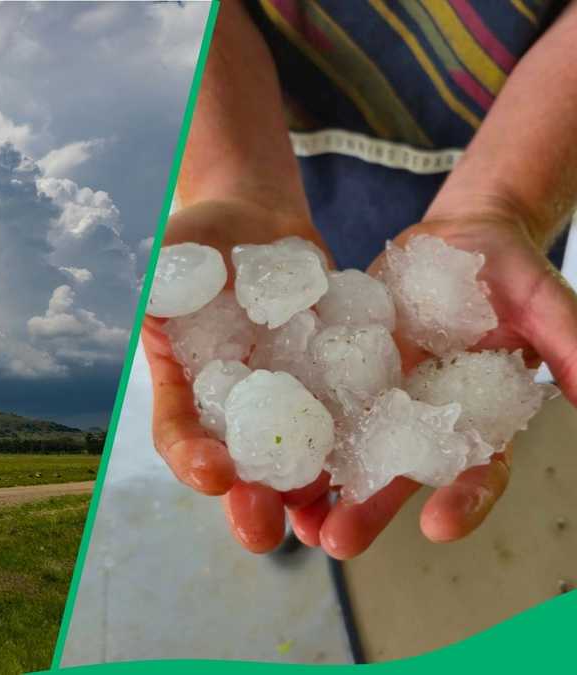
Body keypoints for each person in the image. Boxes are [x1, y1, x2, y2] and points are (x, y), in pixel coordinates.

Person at [146, 0, 577, 559]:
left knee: (400, 313)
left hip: (532, 131)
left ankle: (311, 483)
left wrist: (508, 200)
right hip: (279, 134)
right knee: (343, 286)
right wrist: (230, 179)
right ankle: (301, 485)